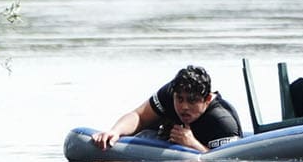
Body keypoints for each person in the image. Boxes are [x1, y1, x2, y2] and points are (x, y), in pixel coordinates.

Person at [94, 64, 244, 153]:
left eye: (192, 101)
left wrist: (192, 144)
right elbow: (140, 116)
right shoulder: (170, 92)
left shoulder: (223, 121)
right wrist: (115, 131)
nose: (184, 106)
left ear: (207, 99)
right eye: (179, 99)